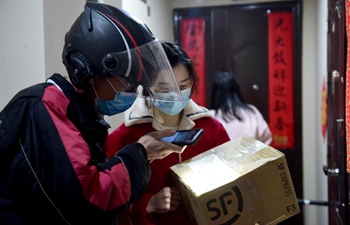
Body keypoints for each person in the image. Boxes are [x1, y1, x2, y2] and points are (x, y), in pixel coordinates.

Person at [0, 2, 186, 225]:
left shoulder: (79, 113)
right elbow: (90, 201)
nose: (132, 91)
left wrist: (144, 153)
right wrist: (141, 152)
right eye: (128, 81)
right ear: (89, 71)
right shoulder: (44, 107)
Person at [106, 41, 230, 225]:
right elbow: (106, 204)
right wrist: (147, 204)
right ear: (147, 88)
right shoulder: (123, 138)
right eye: (165, 89)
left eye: (182, 86)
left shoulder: (212, 129)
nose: (176, 95)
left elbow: (234, 185)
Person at [210, 70, 272, 144]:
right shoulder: (251, 112)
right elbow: (266, 138)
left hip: (223, 155)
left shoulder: (212, 116)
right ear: (237, 89)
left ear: (215, 93)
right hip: (252, 155)